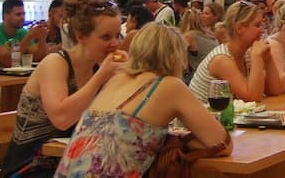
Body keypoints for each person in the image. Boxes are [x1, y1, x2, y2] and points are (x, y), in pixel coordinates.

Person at [54, 24, 232, 177]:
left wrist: (162, 138)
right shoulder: (170, 85)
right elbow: (222, 144)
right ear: (174, 57)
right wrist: (173, 140)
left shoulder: (116, 79)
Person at [0, 0, 126, 176]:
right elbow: (61, 118)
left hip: (75, 161)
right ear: (81, 36)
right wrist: (100, 77)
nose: (115, 43)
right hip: (31, 165)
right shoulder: (56, 63)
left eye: (118, 35)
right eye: (106, 37)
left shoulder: (102, 67)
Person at [189, 1, 282, 102]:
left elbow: (274, 90)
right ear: (239, 28)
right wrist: (257, 57)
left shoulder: (246, 53)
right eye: (258, 25)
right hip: (203, 116)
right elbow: (253, 98)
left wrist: (268, 58)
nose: (262, 30)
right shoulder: (221, 59)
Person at [0, 0, 48, 66]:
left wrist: (42, 38)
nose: (22, 17)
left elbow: (37, 58)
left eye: (23, 14)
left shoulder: (22, 32)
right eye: (18, 14)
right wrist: (28, 37)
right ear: (5, 16)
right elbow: (8, 61)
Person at [180, 8, 219, 84]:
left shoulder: (188, 36)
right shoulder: (210, 34)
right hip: (214, 73)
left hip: (200, 76)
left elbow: (181, 62)